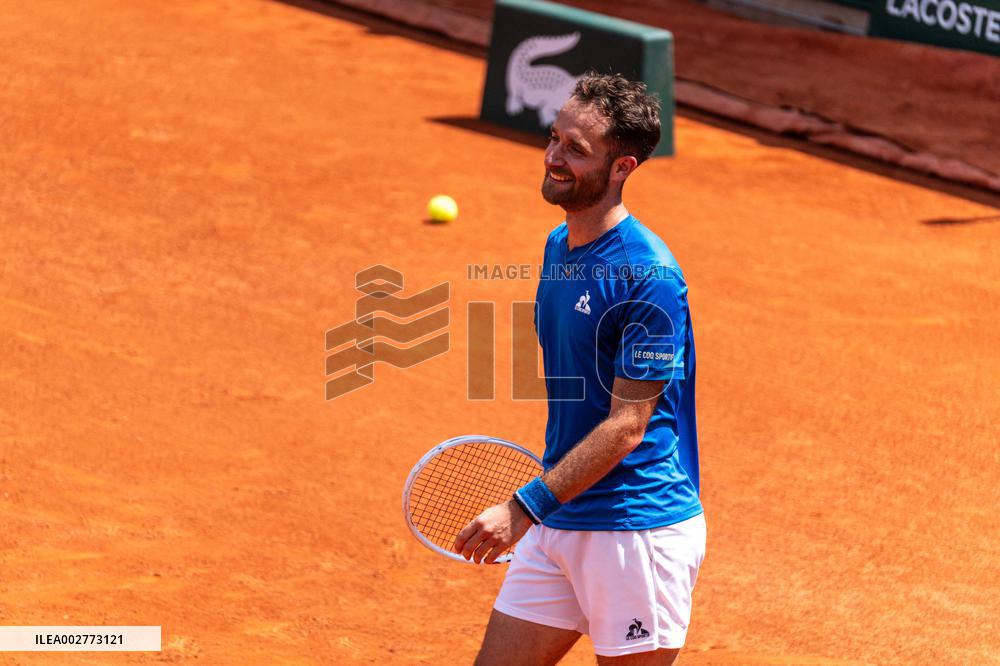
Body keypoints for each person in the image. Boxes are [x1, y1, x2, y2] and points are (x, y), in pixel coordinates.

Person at [455, 73, 705, 665]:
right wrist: (544, 504)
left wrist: (523, 508)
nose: (553, 157)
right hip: (562, 512)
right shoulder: (557, 247)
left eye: (576, 149)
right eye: (554, 138)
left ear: (622, 168)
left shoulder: (649, 277)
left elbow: (627, 426)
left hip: (632, 529)